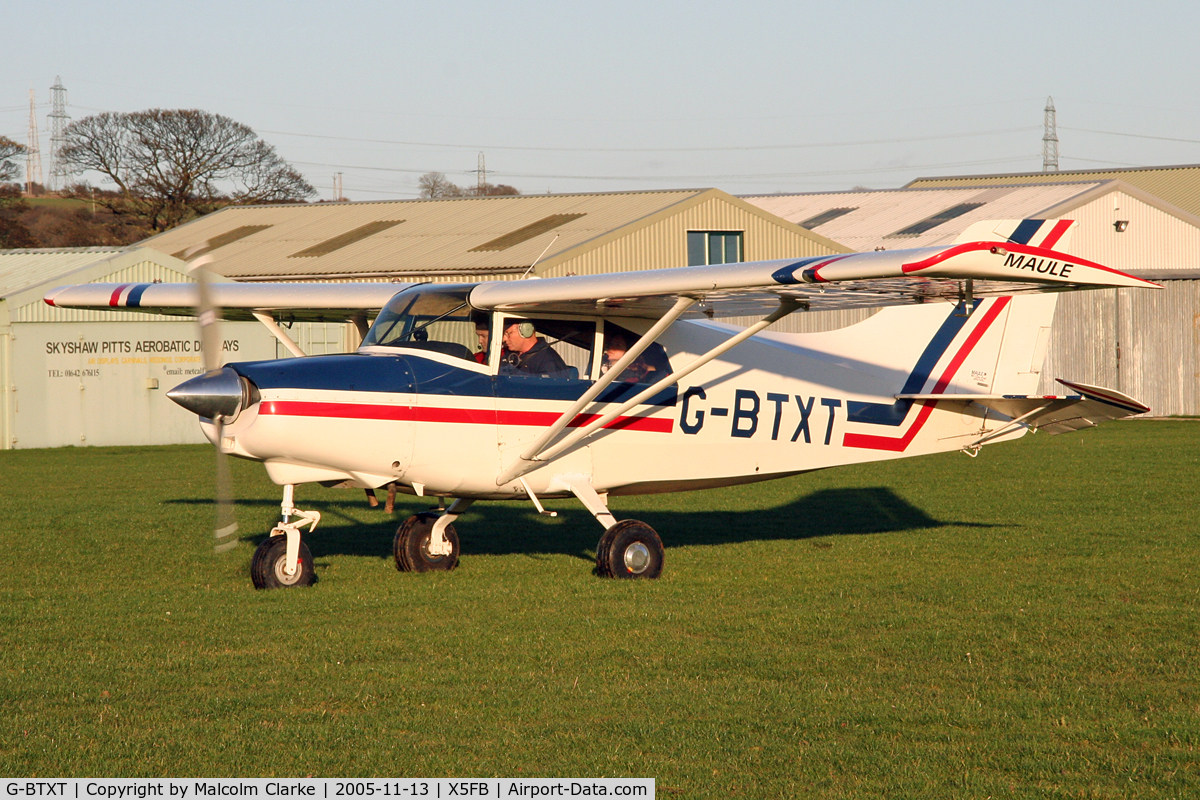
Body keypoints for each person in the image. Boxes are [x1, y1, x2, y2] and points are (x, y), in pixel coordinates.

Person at [499, 320, 570, 377]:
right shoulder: (509, 354)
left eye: (508, 333)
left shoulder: (549, 361)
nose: (504, 339)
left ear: (525, 330)